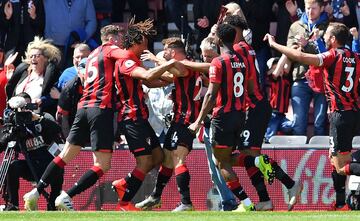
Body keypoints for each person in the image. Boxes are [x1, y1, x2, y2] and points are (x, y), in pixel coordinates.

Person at [22, 24, 125, 211]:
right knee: (103, 164)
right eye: (119, 37)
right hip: (99, 108)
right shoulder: (108, 51)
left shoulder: (92, 57)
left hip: (83, 108)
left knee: (65, 155)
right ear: (112, 38)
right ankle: (67, 196)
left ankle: (35, 192)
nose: (120, 41)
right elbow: (125, 59)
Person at [263, 22, 360, 211]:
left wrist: (274, 45)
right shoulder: (356, 57)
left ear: (333, 40)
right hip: (353, 113)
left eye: (327, 35)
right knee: (334, 159)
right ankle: (341, 203)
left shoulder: (332, 56)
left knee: (341, 166)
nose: (324, 37)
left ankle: (342, 202)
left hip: (339, 115)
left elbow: (300, 56)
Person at [188, 23, 274, 212]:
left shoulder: (218, 62)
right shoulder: (242, 61)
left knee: (221, 163)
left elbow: (210, 95)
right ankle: (262, 164)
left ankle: (246, 204)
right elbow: (251, 88)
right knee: (235, 157)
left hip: (223, 117)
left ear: (218, 39)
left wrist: (198, 121)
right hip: (240, 115)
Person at [224, 14, 302, 211]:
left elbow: (227, 69)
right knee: (248, 154)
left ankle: (291, 184)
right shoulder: (246, 48)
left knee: (248, 154)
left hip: (255, 107)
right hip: (253, 107)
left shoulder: (239, 49)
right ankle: (265, 200)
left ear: (235, 30)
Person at [111, 18, 185, 211]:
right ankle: (124, 203)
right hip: (131, 117)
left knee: (158, 156)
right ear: (135, 42)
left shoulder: (133, 61)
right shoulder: (125, 60)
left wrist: (169, 79)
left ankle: (124, 183)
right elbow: (147, 77)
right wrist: (168, 64)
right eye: (144, 42)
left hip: (141, 117)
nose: (146, 45)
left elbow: (150, 82)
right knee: (145, 162)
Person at [134, 37, 201, 211]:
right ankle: (155, 197)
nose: (163, 51)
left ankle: (186, 203)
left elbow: (178, 70)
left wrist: (156, 59)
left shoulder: (187, 64)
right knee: (167, 159)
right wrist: (143, 75)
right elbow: (169, 76)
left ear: (172, 50)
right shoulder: (181, 67)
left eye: (165, 49)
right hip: (178, 118)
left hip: (187, 119)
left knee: (178, 157)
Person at [0, 92, 63, 211]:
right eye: (21, 109)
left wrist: (38, 118)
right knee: (12, 166)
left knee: (59, 164)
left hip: (49, 166)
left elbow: (57, 129)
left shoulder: (42, 117)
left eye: (27, 107)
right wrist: (9, 135)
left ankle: (52, 204)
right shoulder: (15, 125)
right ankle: (12, 205)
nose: (24, 111)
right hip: (31, 166)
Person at [285, 0, 329, 136]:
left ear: (322, 8)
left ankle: (321, 156)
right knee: (298, 123)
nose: (310, 12)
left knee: (320, 123)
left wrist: (307, 45)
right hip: (300, 77)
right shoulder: (295, 26)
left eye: (314, 8)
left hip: (321, 80)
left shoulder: (328, 26)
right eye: (308, 8)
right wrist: (299, 47)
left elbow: (328, 54)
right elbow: (290, 53)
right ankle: (296, 157)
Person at [5, 37, 62, 117]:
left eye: (37, 56)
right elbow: (10, 93)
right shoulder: (23, 73)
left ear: (46, 58)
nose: (33, 58)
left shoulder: (51, 77)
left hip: (37, 120)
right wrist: (9, 79)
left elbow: (53, 96)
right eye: (31, 56)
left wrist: (42, 101)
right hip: (18, 117)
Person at [42, 0, 96, 69]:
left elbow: (92, 21)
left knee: (74, 75)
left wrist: (83, 39)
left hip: (76, 47)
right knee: (53, 76)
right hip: (53, 47)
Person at [0, 0, 45, 66]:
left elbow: (41, 26)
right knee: (10, 73)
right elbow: (2, 27)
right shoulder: (8, 1)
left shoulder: (36, 1)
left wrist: (34, 16)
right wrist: (7, 17)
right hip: (12, 48)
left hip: (30, 48)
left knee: (28, 73)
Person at [56, 58, 86, 139]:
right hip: (73, 124)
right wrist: (68, 139)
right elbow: (62, 116)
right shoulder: (69, 87)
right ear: (79, 73)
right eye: (83, 74)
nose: (85, 77)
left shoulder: (101, 84)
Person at [265, 57, 293, 142]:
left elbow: (287, 67)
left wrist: (289, 54)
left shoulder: (285, 80)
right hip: (272, 113)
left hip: (281, 115)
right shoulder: (271, 79)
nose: (279, 69)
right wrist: (285, 54)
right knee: (270, 136)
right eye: (275, 68)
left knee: (290, 126)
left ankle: (278, 133)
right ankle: (266, 150)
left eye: (280, 67)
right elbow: (274, 72)